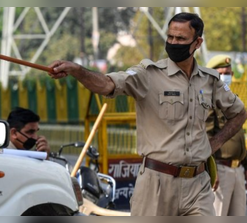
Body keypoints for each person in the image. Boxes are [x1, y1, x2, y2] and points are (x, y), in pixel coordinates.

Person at [48, 12, 247, 216]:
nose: (173, 42)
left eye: (180, 39)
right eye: (170, 37)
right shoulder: (148, 74)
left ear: (197, 43)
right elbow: (107, 84)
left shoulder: (209, 80)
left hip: (198, 185)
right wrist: (77, 71)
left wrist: (215, 144)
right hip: (157, 184)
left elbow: (239, 113)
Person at [205, 55, 247, 216]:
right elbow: (207, 137)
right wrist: (212, 169)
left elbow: (239, 136)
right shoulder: (209, 100)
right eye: (221, 72)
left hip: (238, 169)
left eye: (228, 72)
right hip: (221, 169)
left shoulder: (232, 99)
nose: (226, 76)